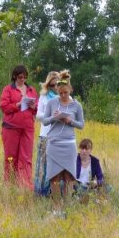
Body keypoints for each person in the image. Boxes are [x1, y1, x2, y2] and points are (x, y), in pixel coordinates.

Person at [43, 70, 84, 214]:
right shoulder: (51, 102)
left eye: (65, 93)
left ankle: (67, 208)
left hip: (69, 145)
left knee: (69, 177)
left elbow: (81, 125)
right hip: (54, 144)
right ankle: (56, 208)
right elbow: (44, 121)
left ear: (70, 90)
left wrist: (69, 121)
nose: (63, 96)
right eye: (60, 93)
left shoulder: (77, 105)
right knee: (54, 177)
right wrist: (55, 118)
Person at [0, 65, 38, 189]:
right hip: (11, 127)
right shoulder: (8, 89)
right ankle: (10, 184)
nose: (23, 79)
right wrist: (18, 104)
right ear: (15, 76)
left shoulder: (31, 90)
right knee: (11, 157)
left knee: (26, 157)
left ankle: (25, 185)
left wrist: (34, 107)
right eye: (20, 77)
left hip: (27, 128)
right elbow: (4, 107)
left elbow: (38, 109)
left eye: (25, 77)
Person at [34, 71, 60, 196]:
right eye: (52, 85)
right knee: (42, 166)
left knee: (57, 165)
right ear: (48, 85)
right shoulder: (44, 96)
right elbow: (38, 115)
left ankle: (55, 193)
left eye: (57, 84)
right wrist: (48, 115)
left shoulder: (64, 97)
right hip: (45, 135)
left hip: (59, 135)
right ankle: (41, 192)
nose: (55, 87)